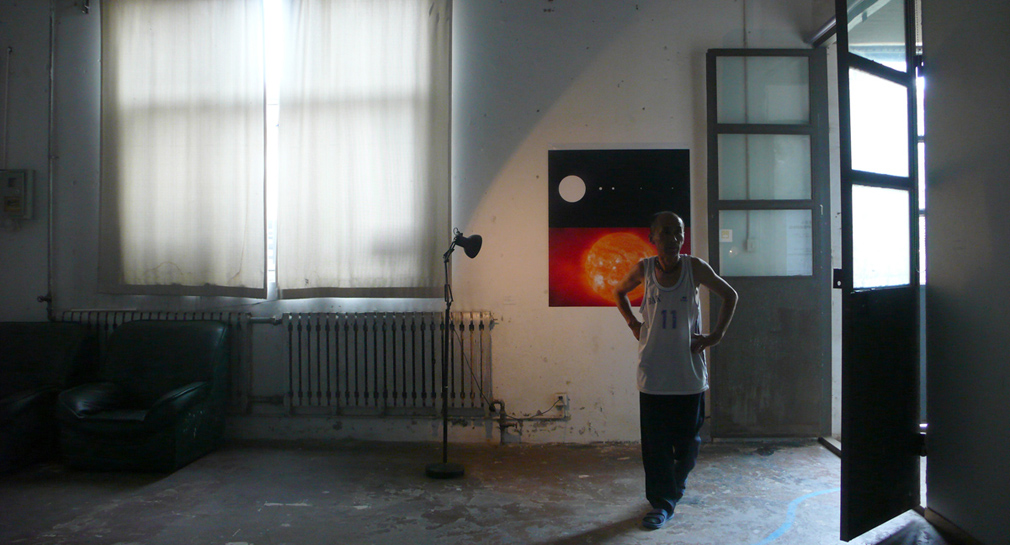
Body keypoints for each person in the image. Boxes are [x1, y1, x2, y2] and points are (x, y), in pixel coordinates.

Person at [613, 211, 738, 530]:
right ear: (652, 237)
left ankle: (673, 489)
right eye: (666, 232)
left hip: (688, 375)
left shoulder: (694, 268)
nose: (673, 238)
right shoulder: (644, 269)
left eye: (678, 232)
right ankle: (662, 503)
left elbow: (730, 295)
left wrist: (716, 335)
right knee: (655, 448)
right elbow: (618, 292)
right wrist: (632, 324)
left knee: (687, 445)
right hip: (653, 373)